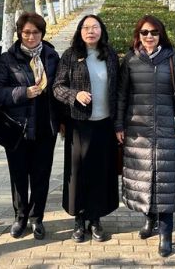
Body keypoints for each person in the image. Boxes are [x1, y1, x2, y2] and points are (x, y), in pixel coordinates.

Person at [115, 15, 175, 257]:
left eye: (154, 32)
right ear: (138, 35)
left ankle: (166, 234)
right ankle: (149, 219)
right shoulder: (130, 59)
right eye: (145, 32)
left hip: (165, 130)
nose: (149, 36)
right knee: (143, 177)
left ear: (161, 35)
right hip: (137, 130)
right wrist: (119, 125)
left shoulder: (171, 58)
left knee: (164, 180)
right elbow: (121, 95)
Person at [0, 12, 60, 240]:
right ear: (19, 33)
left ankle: (36, 217)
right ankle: (20, 217)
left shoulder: (51, 56)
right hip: (17, 128)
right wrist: (24, 92)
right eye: (26, 32)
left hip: (45, 127)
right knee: (19, 175)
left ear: (42, 33)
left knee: (41, 175)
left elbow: (59, 88)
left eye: (36, 32)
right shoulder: (7, 59)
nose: (31, 37)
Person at [53, 14, 120, 242]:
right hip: (79, 124)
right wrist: (75, 94)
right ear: (79, 31)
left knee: (100, 173)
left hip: (105, 124)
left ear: (102, 30)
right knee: (78, 174)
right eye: (85, 27)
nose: (90, 31)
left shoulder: (110, 55)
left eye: (95, 27)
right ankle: (79, 220)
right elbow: (57, 87)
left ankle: (95, 219)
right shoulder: (71, 55)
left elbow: (119, 88)